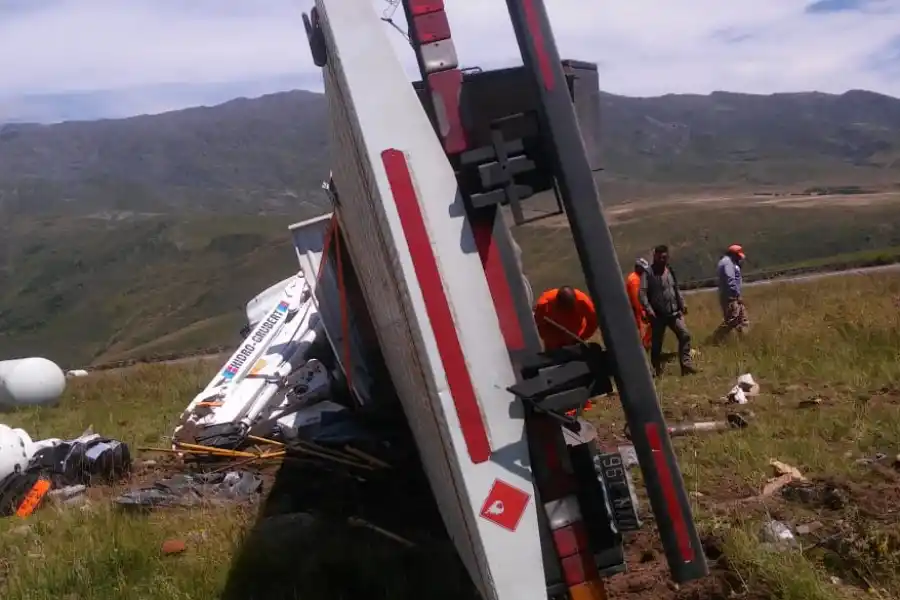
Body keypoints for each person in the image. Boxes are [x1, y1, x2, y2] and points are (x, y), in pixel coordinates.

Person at [639, 245, 697, 376]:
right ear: (655, 257)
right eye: (660, 257)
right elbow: (642, 294)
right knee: (657, 344)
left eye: (664, 257)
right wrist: (649, 309)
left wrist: (682, 303)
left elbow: (675, 288)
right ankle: (656, 370)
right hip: (657, 315)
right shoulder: (648, 273)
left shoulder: (670, 270)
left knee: (685, 335)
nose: (662, 260)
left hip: (674, 313)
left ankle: (686, 366)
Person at [533, 286, 598, 350]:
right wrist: (550, 338)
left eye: (568, 308)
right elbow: (539, 324)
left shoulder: (584, 302)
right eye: (563, 308)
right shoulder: (544, 304)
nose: (566, 312)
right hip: (554, 336)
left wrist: (582, 336)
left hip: (575, 335)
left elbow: (593, 322)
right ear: (557, 302)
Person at [711, 244, 749, 342]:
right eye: (738, 256)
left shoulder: (728, 262)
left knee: (742, 319)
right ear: (733, 254)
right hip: (730, 297)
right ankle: (715, 339)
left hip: (731, 295)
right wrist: (737, 295)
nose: (739, 259)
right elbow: (730, 280)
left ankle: (744, 340)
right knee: (732, 320)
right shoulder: (728, 263)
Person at [625, 258, 652, 351]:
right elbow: (637, 298)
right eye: (643, 268)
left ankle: (645, 347)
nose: (645, 271)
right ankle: (644, 349)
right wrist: (642, 311)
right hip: (638, 311)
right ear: (637, 267)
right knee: (643, 330)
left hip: (637, 310)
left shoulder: (638, 277)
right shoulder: (634, 280)